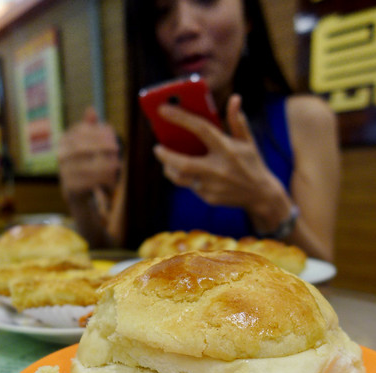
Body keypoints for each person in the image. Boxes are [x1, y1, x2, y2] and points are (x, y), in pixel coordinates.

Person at [58, 0, 340, 262]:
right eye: (162, 11)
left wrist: (267, 201)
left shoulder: (305, 119)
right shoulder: (154, 132)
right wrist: (80, 202)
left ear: (248, 15)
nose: (184, 27)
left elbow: (321, 268)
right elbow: (118, 258)